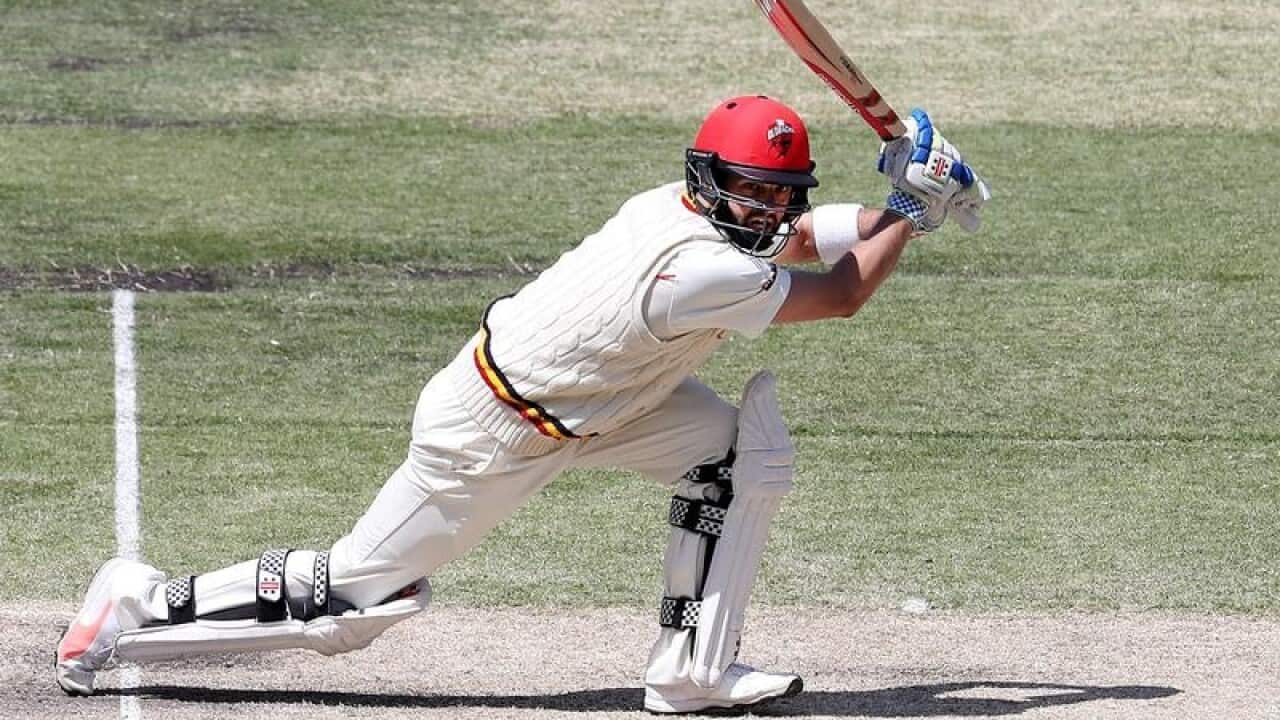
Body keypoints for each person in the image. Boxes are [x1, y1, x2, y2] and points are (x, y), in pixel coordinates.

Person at [55, 94, 987, 714]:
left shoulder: (689, 210)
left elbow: (811, 235)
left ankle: (691, 672)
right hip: (491, 433)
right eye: (747, 190)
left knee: (740, 451)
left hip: (606, 404)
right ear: (709, 180)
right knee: (355, 603)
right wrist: (910, 206)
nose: (761, 210)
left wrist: (909, 194)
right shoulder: (698, 268)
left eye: (775, 194)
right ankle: (133, 607)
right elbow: (839, 291)